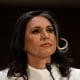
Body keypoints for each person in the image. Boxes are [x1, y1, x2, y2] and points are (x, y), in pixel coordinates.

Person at [0, 10, 80, 80]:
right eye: (36, 31)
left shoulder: (76, 76)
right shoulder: (4, 77)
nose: (46, 36)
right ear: (22, 43)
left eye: (49, 30)